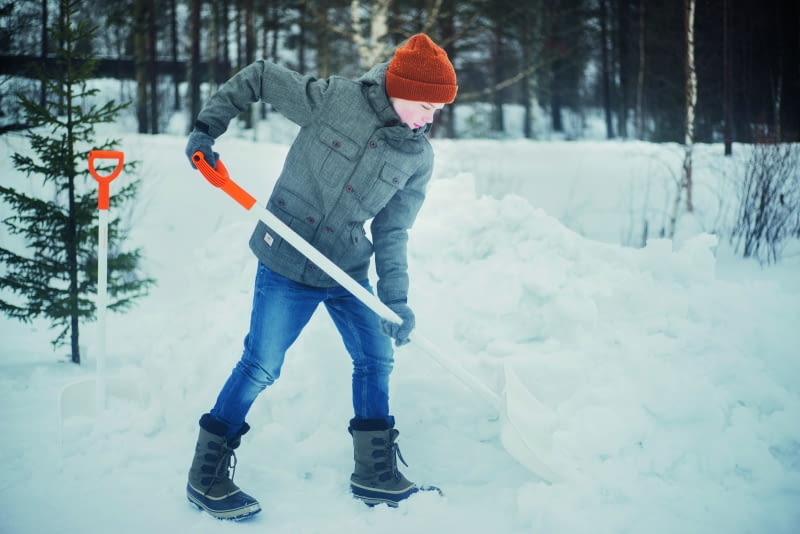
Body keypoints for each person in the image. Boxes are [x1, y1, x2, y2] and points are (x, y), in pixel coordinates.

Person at [183, 33, 457, 520]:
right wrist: (207, 129)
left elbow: (392, 231)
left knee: (375, 358)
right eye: (424, 106)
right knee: (262, 364)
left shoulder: (417, 158)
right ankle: (205, 475)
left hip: (346, 268)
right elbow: (261, 76)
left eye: (436, 110)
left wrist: (395, 300)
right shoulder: (335, 100)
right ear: (399, 88)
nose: (428, 119)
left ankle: (373, 475)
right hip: (287, 256)